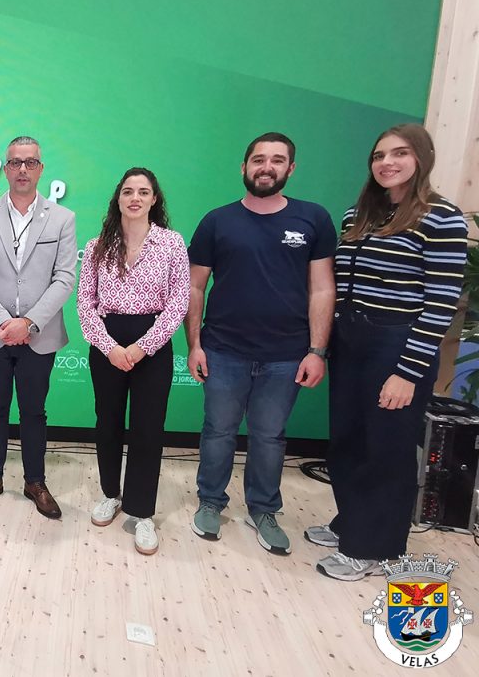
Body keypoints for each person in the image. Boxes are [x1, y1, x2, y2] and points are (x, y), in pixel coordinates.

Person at [310, 124, 468, 581]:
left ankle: (374, 548)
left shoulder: (442, 218)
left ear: (421, 158)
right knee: (347, 440)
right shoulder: (357, 216)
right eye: (379, 155)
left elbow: (441, 305)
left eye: (399, 153)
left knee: (386, 448)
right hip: (350, 340)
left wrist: (408, 372)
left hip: (396, 344)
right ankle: (352, 522)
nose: (387, 163)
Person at [185, 132, 336, 554]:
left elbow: (323, 289)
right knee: (218, 431)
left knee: (270, 437)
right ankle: (210, 501)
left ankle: (264, 509)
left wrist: (317, 351)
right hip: (223, 350)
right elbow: (194, 287)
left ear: (291, 168)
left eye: (277, 160)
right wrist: (195, 345)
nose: (266, 167)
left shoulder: (313, 219)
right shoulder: (217, 221)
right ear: (244, 167)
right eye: (258, 159)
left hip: (287, 355)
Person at [0, 136, 77, 519]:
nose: (23, 169)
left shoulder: (62, 218)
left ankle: (35, 482)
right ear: (5, 169)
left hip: (39, 336)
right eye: (15, 162)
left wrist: (28, 323)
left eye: (30, 162)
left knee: (34, 411)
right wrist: (2, 322)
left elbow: (64, 278)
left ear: (41, 168)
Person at [77, 168, 189, 554]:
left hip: (152, 344)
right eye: (128, 191)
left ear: (154, 199)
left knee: (148, 429)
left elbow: (178, 303)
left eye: (143, 192)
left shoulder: (171, 243)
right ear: (118, 199)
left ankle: (141, 512)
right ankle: (111, 493)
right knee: (107, 423)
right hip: (107, 342)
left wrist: (143, 347)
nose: (135, 198)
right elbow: (85, 303)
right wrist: (109, 347)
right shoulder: (97, 246)